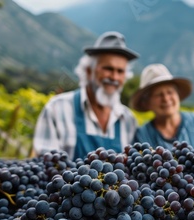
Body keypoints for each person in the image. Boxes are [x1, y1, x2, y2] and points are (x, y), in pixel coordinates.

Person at [33, 31, 139, 160]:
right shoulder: (57, 108)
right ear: (89, 71)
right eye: (108, 69)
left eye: (120, 71)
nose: (114, 77)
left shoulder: (128, 120)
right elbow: (46, 166)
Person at [130, 64, 194, 166]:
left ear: (178, 95)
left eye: (170, 92)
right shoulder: (141, 135)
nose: (166, 99)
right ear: (147, 103)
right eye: (159, 94)